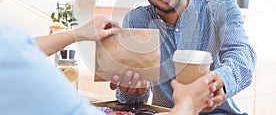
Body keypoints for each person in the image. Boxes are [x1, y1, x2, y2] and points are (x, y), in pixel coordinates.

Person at [110, 0, 257, 114]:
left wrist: (220, 80)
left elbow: (242, 52)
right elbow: (133, 100)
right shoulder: (137, 20)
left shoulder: (221, 9)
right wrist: (130, 90)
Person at [0, 15, 216, 115]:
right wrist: (187, 104)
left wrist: (79, 33)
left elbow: (24, 47)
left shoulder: (11, 47)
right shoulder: (12, 52)